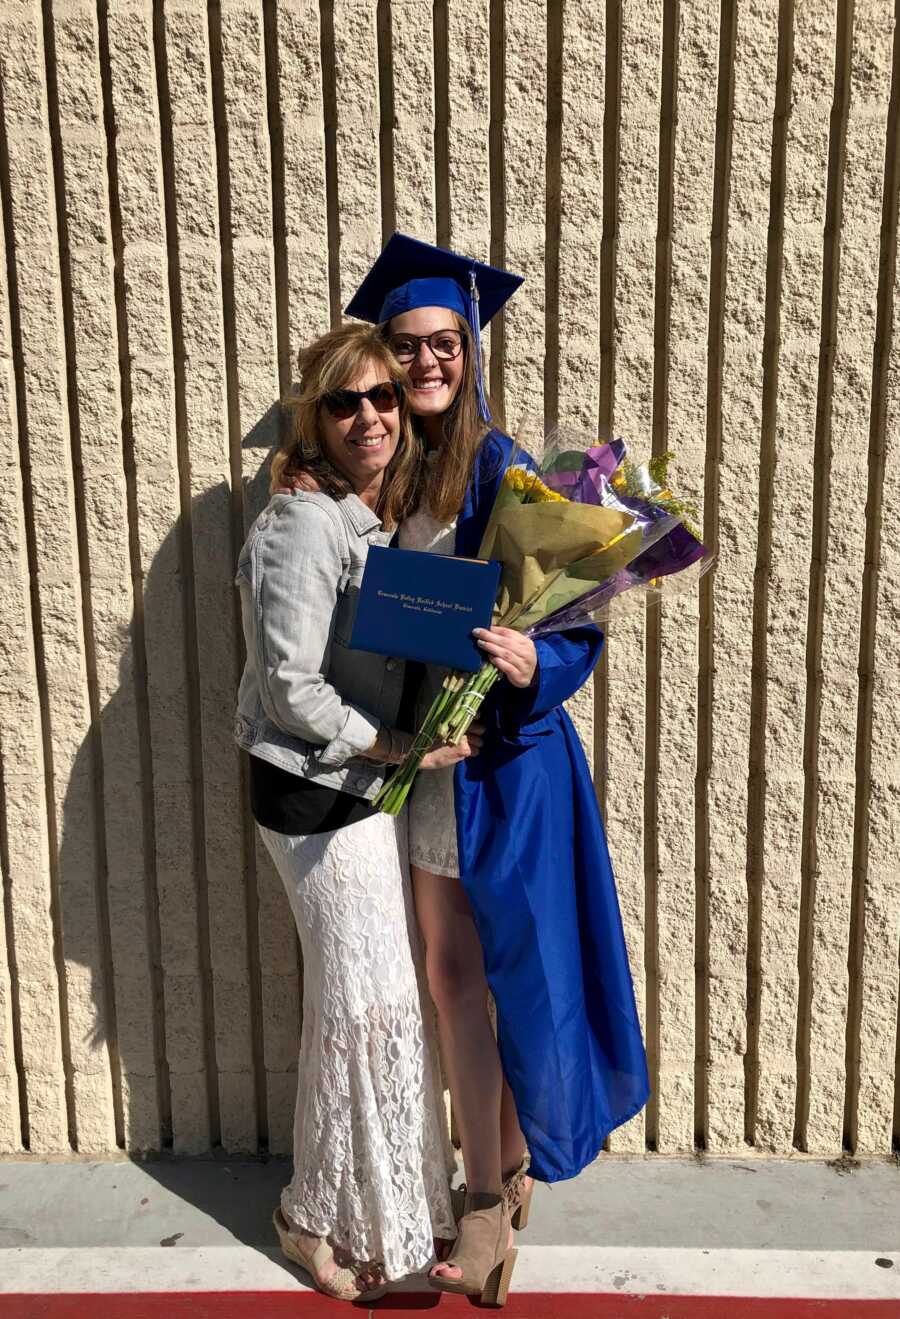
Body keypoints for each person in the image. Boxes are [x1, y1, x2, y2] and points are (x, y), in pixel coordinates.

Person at [342, 233, 651, 1305]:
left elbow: (572, 609)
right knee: (450, 975)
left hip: (503, 767)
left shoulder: (497, 461)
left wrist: (534, 657)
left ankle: (485, 1199)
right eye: (408, 345)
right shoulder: (384, 464)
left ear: (471, 349)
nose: (427, 363)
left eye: (445, 343)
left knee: (492, 974)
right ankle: (498, 1171)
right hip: (429, 760)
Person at [233, 322, 474, 1301]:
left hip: (361, 790)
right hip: (313, 794)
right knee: (362, 1003)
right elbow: (289, 686)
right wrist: (395, 746)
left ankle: (382, 1206)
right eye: (346, 401)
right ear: (315, 416)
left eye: (384, 396)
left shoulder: (367, 511)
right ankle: (317, 1213)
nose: (371, 414)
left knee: (371, 1003)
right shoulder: (301, 519)